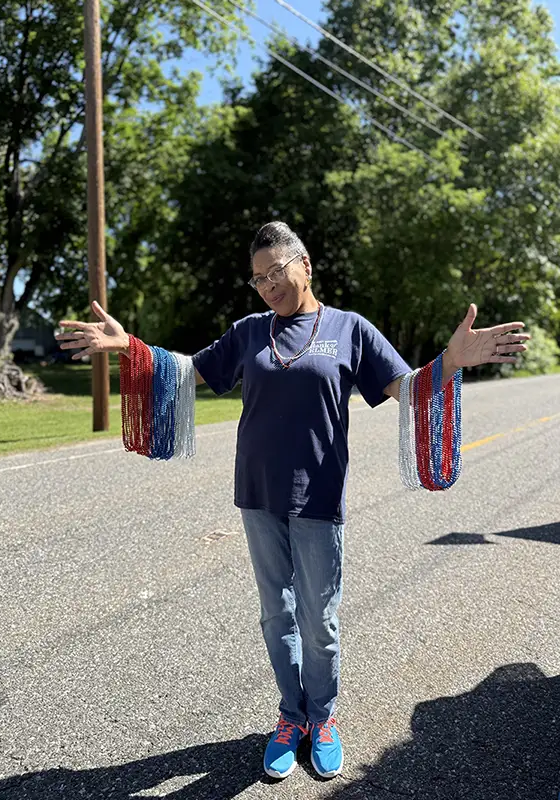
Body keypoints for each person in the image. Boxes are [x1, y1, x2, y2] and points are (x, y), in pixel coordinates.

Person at [56, 221, 529, 781]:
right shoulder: (250, 331)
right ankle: (291, 717)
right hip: (256, 496)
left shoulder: (349, 330)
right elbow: (188, 371)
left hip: (318, 498)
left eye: (275, 273)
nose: (267, 287)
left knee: (318, 619)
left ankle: (323, 718)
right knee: (276, 613)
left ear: (304, 265)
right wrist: (127, 347)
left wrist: (449, 362)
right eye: (257, 280)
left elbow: (405, 388)